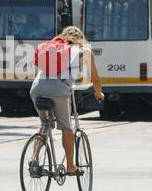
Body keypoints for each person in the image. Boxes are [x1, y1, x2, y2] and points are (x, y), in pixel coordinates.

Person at [30, 26, 105, 176]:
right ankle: (71, 166)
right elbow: (95, 79)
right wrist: (99, 93)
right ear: (81, 39)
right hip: (59, 90)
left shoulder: (54, 48)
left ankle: (34, 159)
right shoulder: (84, 52)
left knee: (46, 124)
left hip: (37, 88)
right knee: (66, 127)